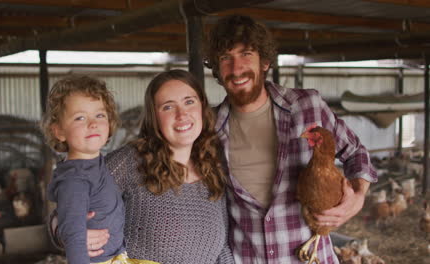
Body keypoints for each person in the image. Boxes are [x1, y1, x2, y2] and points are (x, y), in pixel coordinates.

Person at [203, 15, 377, 263]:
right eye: (225, 58)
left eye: (246, 55)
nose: (236, 67)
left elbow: (356, 152)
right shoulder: (209, 128)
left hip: (310, 257)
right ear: (217, 69)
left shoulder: (307, 106)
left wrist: (357, 198)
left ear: (264, 62)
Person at [50, 70, 234, 264]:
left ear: (202, 108)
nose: (182, 114)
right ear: (154, 117)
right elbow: (67, 206)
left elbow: (221, 249)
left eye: (189, 102)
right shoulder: (131, 162)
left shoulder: (212, 167)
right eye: (168, 107)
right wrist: (66, 233)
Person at [41, 75, 158, 264]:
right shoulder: (75, 180)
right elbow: (73, 235)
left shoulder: (95, 163)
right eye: (80, 117)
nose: (92, 123)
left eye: (100, 115)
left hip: (117, 257)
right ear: (59, 131)